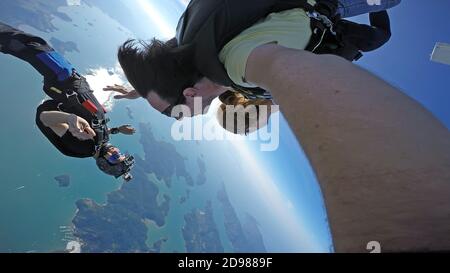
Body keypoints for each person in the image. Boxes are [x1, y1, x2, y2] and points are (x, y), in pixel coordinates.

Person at [0, 22, 136, 182]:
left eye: (114, 158)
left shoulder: (82, 147)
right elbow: (98, 128)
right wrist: (117, 130)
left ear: (103, 164)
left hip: (62, 79)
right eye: (120, 154)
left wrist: (69, 119)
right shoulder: (101, 142)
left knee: (31, 46)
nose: (115, 152)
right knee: (31, 45)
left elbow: (45, 118)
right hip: (72, 80)